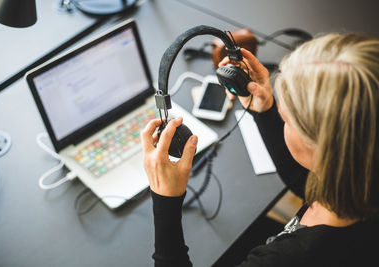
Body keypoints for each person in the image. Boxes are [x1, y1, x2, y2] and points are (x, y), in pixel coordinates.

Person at [141, 33, 379, 266]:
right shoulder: (359, 179)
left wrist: (166, 200)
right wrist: (265, 111)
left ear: (324, 151)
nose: (281, 117)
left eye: (285, 118)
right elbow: (305, 182)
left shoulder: (289, 259)